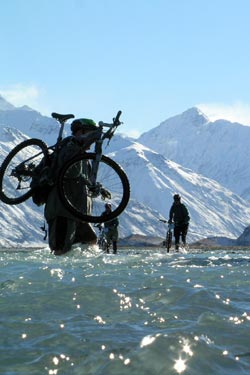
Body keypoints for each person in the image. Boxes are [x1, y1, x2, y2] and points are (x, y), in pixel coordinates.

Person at [44, 118, 99, 255]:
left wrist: (96, 189)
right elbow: (71, 172)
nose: (91, 141)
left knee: (91, 242)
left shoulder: (84, 156)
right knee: (60, 250)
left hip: (79, 213)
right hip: (62, 211)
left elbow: (84, 181)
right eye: (90, 134)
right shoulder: (69, 147)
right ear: (82, 132)